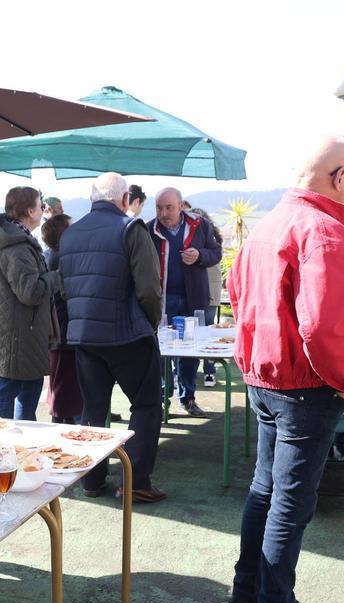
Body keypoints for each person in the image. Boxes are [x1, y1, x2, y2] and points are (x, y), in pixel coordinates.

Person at [225, 135, 344, 603]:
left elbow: (238, 299)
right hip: (306, 384)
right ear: (339, 177)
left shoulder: (266, 226)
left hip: (265, 375)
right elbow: (325, 325)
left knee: (265, 490)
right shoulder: (326, 232)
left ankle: (249, 595)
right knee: (289, 501)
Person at [58, 172, 166, 503]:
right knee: (146, 405)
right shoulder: (131, 228)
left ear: (93, 199)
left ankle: (91, 480)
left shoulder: (70, 234)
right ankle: (135, 482)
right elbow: (150, 288)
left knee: (93, 410)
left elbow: (64, 287)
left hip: (85, 337)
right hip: (127, 335)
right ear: (124, 199)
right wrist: (150, 324)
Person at [0, 186, 62, 420]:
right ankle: (9, 442)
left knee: (14, 388)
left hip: (11, 330)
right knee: (15, 390)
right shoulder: (18, 247)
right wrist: (56, 277)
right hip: (18, 334)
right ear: (30, 211)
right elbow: (30, 292)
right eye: (40, 206)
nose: (43, 211)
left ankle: (12, 440)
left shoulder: (9, 238)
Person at [148, 188, 224, 418]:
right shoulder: (148, 229)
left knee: (190, 351)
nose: (163, 213)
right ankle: (162, 396)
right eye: (159, 207)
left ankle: (188, 397)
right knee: (160, 349)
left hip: (193, 298)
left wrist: (199, 255)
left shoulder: (200, 225)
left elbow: (216, 252)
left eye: (168, 207)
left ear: (181, 206)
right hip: (162, 300)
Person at [42, 213, 83, 424]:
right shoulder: (60, 257)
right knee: (63, 387)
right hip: (63, 330)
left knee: (62, 386)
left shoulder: (54, 255)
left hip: (60, 330)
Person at [190, 207, 226, 388]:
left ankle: (207, 371)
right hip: (210, 294)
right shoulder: (215, 240)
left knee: (201, 333)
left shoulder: (202, 240)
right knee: (207, 333)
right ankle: (208, 372)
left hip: (206, 294)